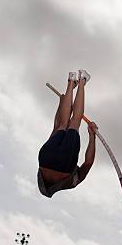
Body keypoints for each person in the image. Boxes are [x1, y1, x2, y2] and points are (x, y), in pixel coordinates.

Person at [38, 70, 97, 198]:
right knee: (62, 125)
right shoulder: (44, 175)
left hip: (64, 165)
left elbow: (88, 162)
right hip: (44, 159)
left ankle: (82, 81)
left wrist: (92, 137)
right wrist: (61, 104)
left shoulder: (71, 183)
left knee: (74, 122)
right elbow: (56, 127)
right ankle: (71, 82)